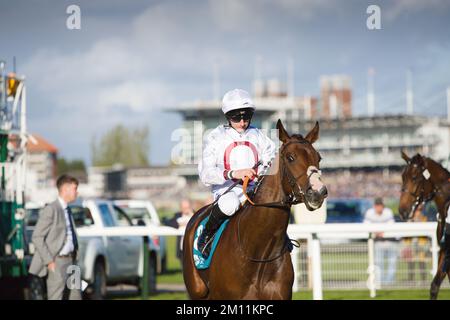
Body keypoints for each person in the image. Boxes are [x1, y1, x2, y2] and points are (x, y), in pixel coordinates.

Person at [197, 88, 276, 258]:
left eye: (246, 116)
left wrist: (261, 170)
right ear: (227, 117)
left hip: (255, 190)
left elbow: (271, 158)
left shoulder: (259, 136)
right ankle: (207, 235)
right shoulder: (215, 137)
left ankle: (281, 242)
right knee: (229, 204)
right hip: (227, 191)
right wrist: (233, 173)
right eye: (236, 117)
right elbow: (205, 174)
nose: (242, 122)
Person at [29, 174, 81, 300]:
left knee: (76, 296)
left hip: (72, 261)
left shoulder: (68, 209)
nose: (77, 192)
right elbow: (37, 236)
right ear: (65, 189)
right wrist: (49, 262)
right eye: (74, 189)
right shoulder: (52, 209)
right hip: (57, 262)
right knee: (56, 296)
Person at [364, 197, 399, 286]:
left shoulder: (388, 212)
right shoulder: (369, 213)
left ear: (383, 206)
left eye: (380, 206)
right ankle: (381, 282)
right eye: (377, 206)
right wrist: (378, 233)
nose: (379, 208)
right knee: (379, 263)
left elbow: (391, 226)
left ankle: (389, 283)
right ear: (374, 206)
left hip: (390, 242)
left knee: (392, 263)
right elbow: (366, 226)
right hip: (378, 243)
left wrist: (379, 232)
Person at [401, 204, 429, 283]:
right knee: (411, 262)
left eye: (419, 210)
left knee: (421, 262)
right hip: (411, 244)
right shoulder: (410, 220)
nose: (418, 212)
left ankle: (424, 280)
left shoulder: (424, 219)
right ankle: (411, 279)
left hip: (421, 244)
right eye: (416, 211)